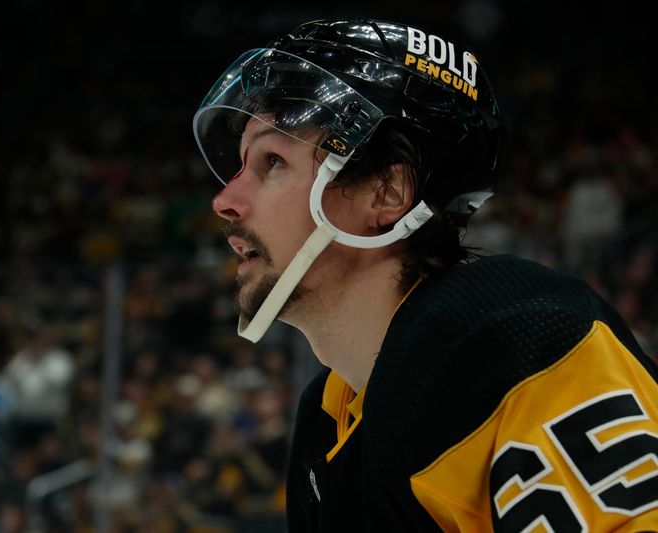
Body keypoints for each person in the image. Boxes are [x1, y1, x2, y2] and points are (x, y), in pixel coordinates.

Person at [192, 18, 658, 532]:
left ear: (387, 194)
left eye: (273, 162)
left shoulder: (520, 340)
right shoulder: (327, 423)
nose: (225, 201)